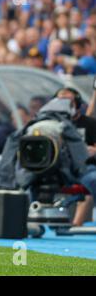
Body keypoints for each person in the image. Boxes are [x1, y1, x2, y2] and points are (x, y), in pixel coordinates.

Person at [56, 88, 96, 226]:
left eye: (70, 102)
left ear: (78, 104)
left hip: (84, 168)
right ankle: (30, 219)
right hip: (58, 168)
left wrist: (93, 151)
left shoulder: (90, 124)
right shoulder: (52, 123)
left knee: (93, 179)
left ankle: (76, 224)